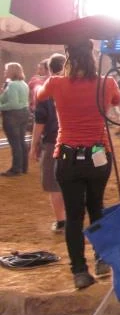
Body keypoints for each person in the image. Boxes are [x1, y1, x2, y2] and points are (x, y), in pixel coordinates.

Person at [36, 40, 120, 290]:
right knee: (96, 207)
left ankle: (80, 272)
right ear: (92, 56)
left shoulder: (55, 83)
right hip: (98, 154)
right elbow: (117, 101)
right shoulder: (107, 83)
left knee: (74, 216)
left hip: (67, 157)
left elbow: (39, 95)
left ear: (68, 58)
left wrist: (53, 78)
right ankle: (102, 259)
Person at [30, 53, 67, 232]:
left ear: (50, 69)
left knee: (53, 183)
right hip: (78, 141)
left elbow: (40, 121)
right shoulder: (76, 86)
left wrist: (33, 146)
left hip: (54, 141)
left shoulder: (46, 90)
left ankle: (61, 221)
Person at [0, 62, 30, 176]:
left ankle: (16, 169)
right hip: (24, 113)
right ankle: (23, 167)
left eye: (6, 70)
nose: (5, 72)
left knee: (15, 143)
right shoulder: (23, 84)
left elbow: (13, 104)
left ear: (12, 71)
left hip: (12, 115)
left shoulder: (12, 85)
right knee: (21, 141)